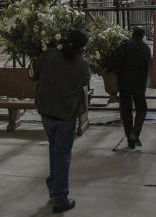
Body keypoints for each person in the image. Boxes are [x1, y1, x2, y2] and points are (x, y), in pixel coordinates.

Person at [31, 29, 90, 213]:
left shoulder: (49, 54)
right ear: (81, 47)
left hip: (47, 112)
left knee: (54, 149)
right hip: (66, 114)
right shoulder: (81, 63)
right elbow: (85, 80)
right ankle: (60, 198)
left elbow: (35, 72)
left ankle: (53, 186)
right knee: (63, 156)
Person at [117, 26, 151, 149]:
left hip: (125, 83)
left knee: (126, 111)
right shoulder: (146, 48)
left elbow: (117, 60)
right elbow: (147, 66)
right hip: (139, 84)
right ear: (142, 36)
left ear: (132, 34)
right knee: (142, 109)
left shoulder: (125, 45)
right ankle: (134, 133)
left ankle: (130, 138)